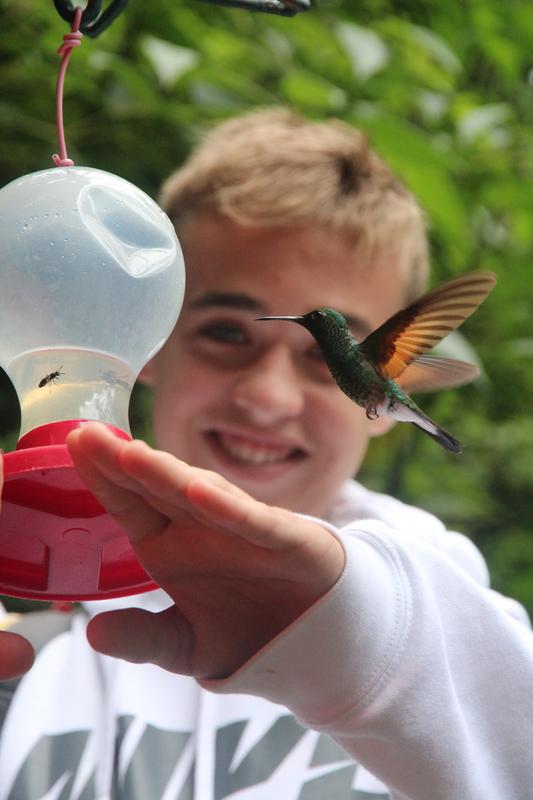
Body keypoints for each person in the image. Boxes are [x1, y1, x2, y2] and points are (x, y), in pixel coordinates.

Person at [0, 108, 532, 800]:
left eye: (315, 361)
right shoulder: (43, 656)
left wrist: (356, 624)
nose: (268, 396)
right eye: (226, 332)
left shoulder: (435, 604)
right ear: (147, 334)